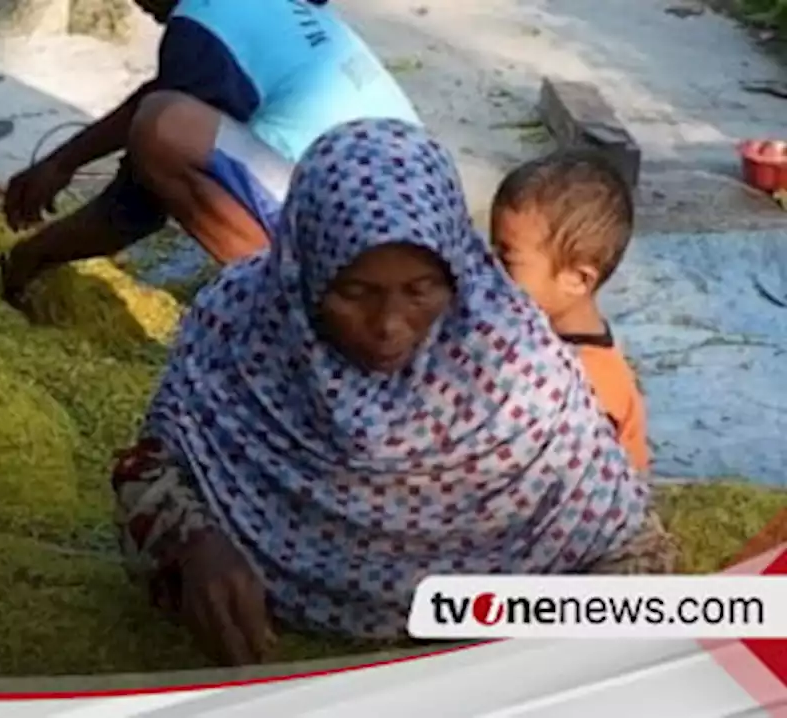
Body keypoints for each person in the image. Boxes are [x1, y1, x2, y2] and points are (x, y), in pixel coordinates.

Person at [110, 119, 678, 667]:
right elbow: (151, 464)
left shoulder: (512, 353)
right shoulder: (242, 320)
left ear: (456, 270)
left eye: (420, 290)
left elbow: (632, 544)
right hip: (268, 624)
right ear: (302, 269)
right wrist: (190, 542)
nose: (389, 326)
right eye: (354, 292)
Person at [0, 0, 421, 306]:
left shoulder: (202, 26)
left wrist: (28, 259)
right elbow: (167, 93)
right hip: (412, 216)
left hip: (363, 245)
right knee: (164, 117)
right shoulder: (238, 11)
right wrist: (63, 161)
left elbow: (131, 211)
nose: (136, 4)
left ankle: (295, 313)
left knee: (162, 133)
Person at [489, 151, 649, 472]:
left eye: (506, 260)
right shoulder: (534, 335)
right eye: (490, 249)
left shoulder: (590, 390)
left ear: (576, 279)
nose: (488, 270)